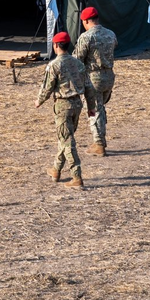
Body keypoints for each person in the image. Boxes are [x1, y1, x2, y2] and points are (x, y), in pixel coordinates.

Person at [35, 31, 95, 189]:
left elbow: (47, 87)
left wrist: (39, 101)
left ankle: (77, 176)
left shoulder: (54, 65)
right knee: (65, 139)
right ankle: (56, 170)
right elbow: (89, 86)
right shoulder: (78, 63)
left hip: (62, 106)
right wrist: (91, 107)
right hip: (77, 104)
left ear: (55, 45)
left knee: (68, 142)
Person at [74, 6, 117, 157]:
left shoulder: (86, 37)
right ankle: (100, 140)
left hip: (93, 79)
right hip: (109, 76)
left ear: (85, 21)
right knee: (100, 108)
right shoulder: (111, 34)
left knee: (94, 110)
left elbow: (78, 59)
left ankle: (98, 144)